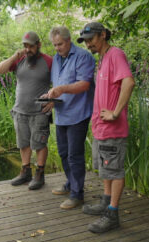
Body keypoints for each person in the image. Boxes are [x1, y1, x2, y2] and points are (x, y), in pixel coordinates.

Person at [77, 22, 135, 233]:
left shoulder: (115, 54)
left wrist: (116, 112)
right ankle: (105, 200)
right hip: (101, 128)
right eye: (85, 41)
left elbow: (128, 82)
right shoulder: (102, 59)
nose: (88, 44)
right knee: (105, 169)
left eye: (91, 39)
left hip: (113, 128)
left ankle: (112, 213)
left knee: (115, 170)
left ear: (103, 35)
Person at [42, 26, 95, 209]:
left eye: (60, 44)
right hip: (62, 113)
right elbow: (57, 86)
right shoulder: (56, 59)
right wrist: (52, 100)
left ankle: (77, 194)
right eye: (54, 45)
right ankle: (71, 183)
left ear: (69, 40)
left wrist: (62, 89)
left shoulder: (83, 56)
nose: (57, 48)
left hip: (79, 113)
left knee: (75, 155)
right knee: (64, 153)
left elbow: (84, 85)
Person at [0, 31, 53, 190]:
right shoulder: (19, 60)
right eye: (25, 46)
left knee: (40, 143)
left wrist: (53, 100)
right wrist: (15, 56)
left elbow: (61, 81)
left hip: (39, 111)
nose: (28, 49)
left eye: (31, 46)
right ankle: (25, 171)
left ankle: (40, 174)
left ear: (39, 45)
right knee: (23, 143)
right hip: (20, 110)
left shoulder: (48, 61)